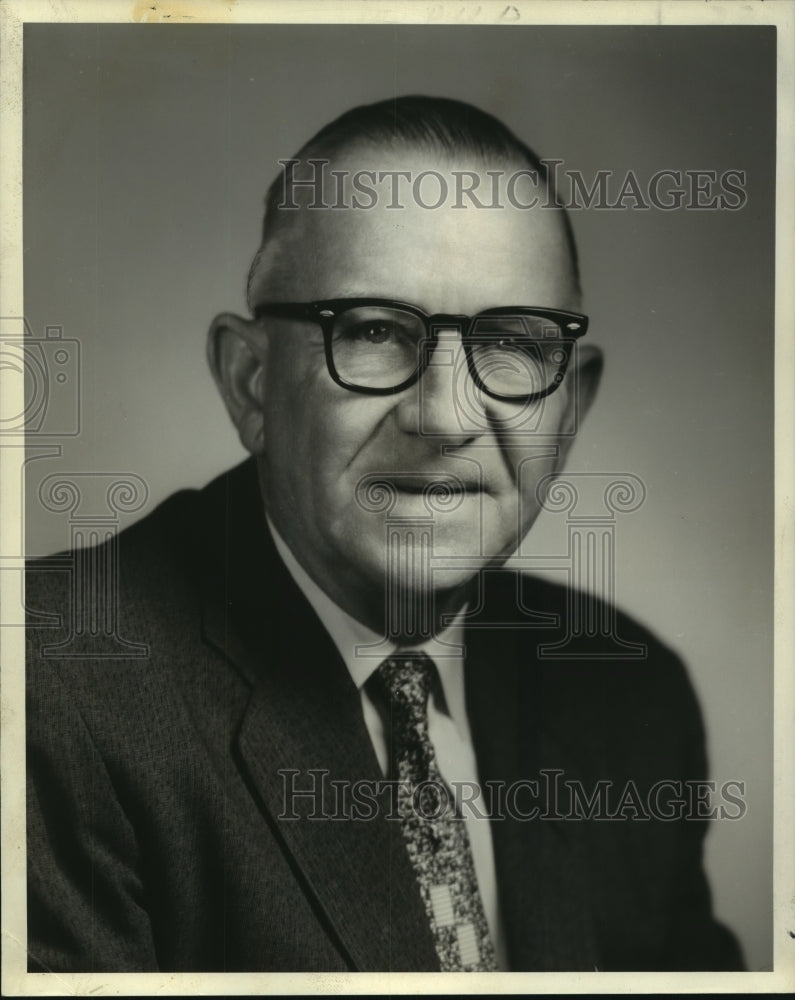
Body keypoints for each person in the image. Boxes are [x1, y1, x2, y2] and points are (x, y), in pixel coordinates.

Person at [26, 96, 743, 973]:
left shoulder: (630, 701)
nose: (443, 417)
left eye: (511, 342)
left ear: (571, 405)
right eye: (372, 331)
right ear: (251, 382)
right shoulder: (48, 689)